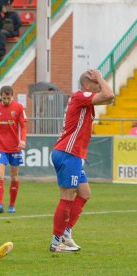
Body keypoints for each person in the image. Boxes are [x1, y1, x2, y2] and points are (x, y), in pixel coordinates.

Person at [50, 69, 114, 252]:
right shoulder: (80, 95)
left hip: (73, 154)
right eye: (95, 84)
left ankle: (66, 232)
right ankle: (56, 242)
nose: (98, 87)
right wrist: (100, 77)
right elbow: (108, 94)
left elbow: (110, 97)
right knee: (67, 196)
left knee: (84, 193)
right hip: (68, 153)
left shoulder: (85, 101)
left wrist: (100, 81)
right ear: (87, 85)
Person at [0, 86, 27, 214]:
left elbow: (23, 126)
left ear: (12, 96)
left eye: (8, 98)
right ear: (1, 96)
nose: (6, 101)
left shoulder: (19, 108)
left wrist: (23, 140)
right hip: (0, 147)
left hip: (15, 148)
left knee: (14, 176)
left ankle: (12, 205)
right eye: (4, 98)